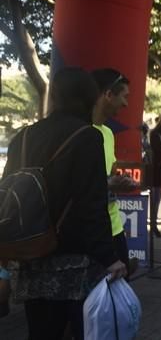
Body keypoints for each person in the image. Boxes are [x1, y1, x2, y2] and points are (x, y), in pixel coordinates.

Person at [3, 67, 126, 339]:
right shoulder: (88, 137)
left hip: (30, 252)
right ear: (88, 97)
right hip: (73, 260)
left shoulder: (21, 137)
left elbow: (7, 196)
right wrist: (110, 257)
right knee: (85, 330)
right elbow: (91, 205)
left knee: (40, 332)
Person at [91, 68, 138, 276]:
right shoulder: (82, 132)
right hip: (93, 231)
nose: (126, 104)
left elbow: (108, 174)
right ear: (108, 95)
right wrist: (109, 183)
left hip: (115, 227)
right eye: (124, 96)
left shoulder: (108, 133)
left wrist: (119, 180)